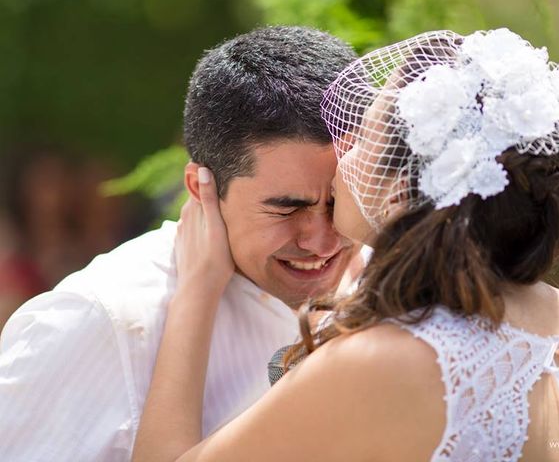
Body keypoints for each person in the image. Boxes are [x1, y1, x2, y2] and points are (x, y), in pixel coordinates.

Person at [132, 28, 559, 462]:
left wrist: (197, 287)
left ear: (396, 192)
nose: (343, 152)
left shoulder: (387, 360)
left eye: (365, 138)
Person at [0, 26, 358, 461]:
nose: (322, 240)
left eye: (340, 201)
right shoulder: (99, 318)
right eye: (287, 209)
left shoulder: (396, 282)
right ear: (200, 187)